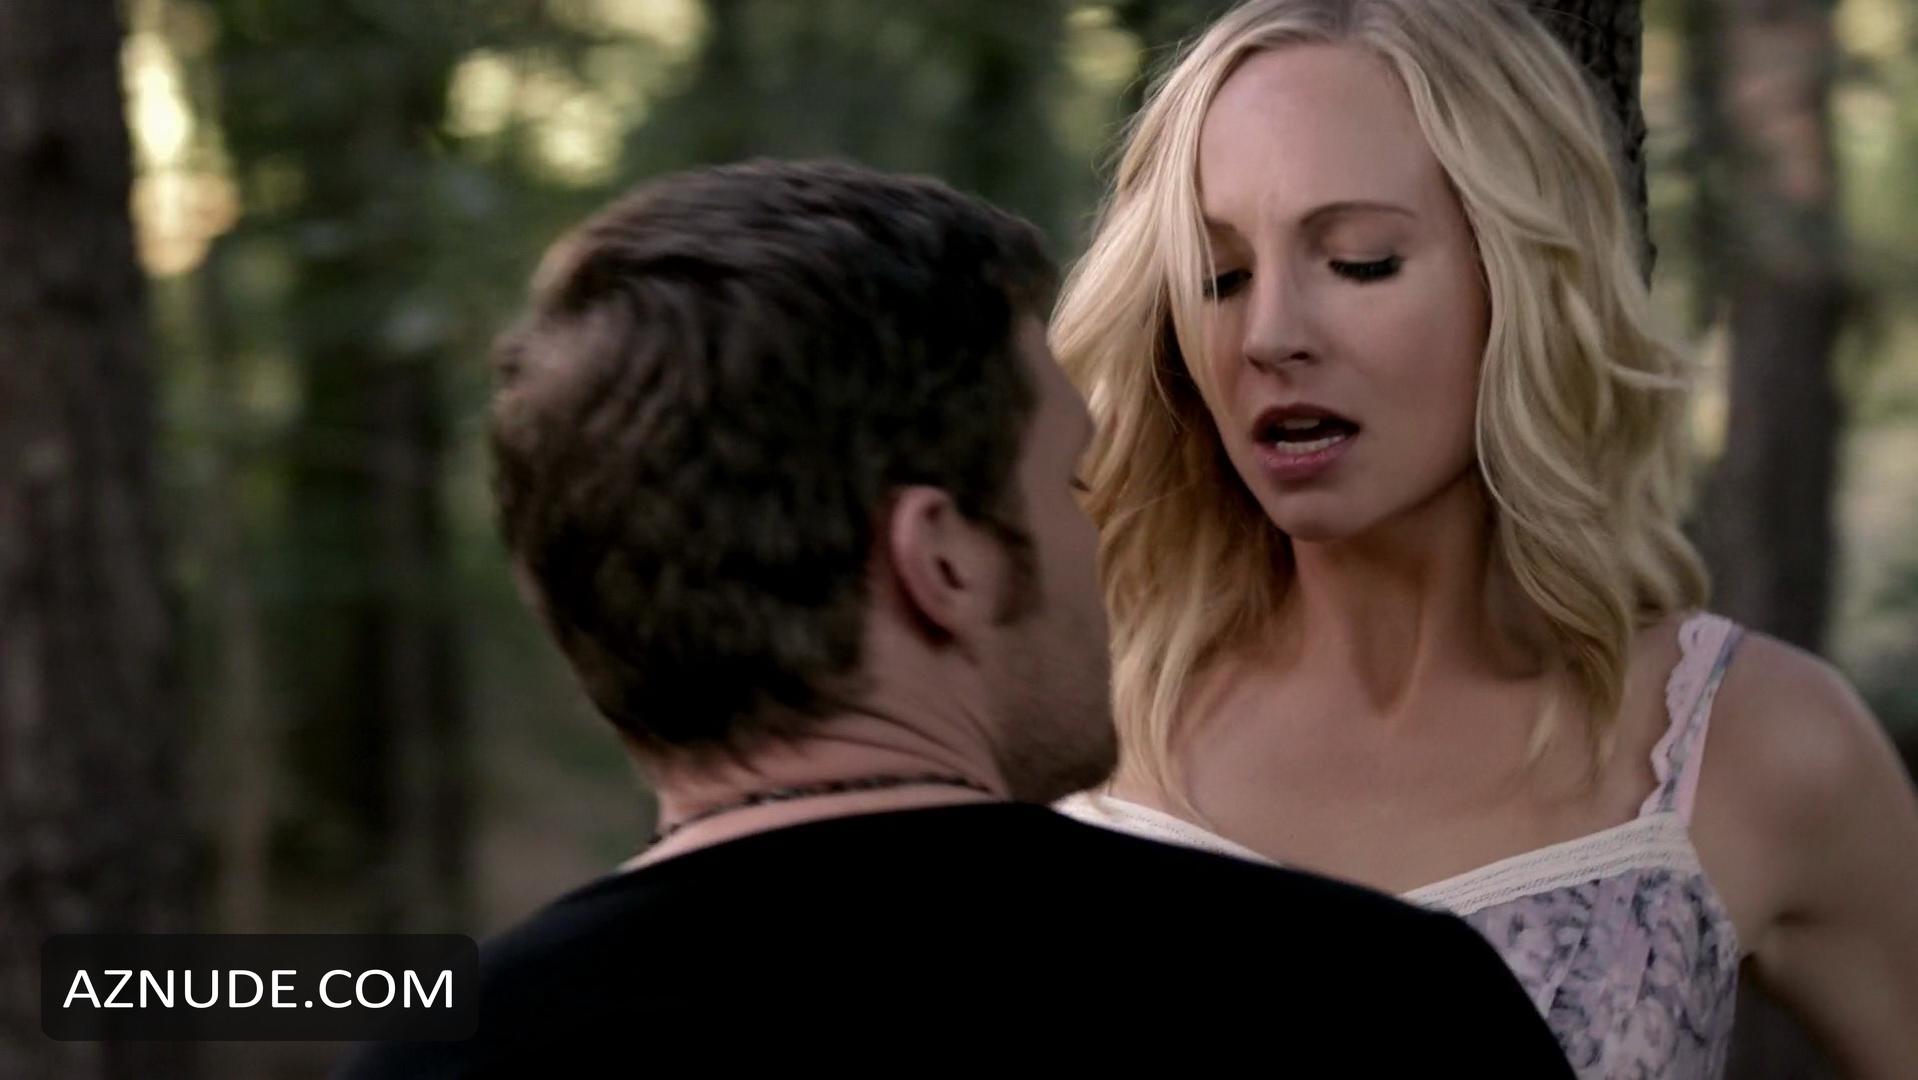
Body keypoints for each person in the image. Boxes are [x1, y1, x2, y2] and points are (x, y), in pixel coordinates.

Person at [334, 158, 1571, 1074]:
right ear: (941, 559)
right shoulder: (1367, 1004)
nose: (1107, 546)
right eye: (1074, 487)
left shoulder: (438, 1060)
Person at [1051, 1, 1918, 1076]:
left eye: (1359, 261)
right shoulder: (1068, 724)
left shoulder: (1754, 748)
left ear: (1522, 279)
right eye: (1219, 277)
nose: (1268, 336)